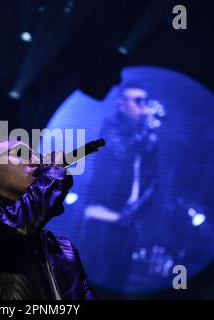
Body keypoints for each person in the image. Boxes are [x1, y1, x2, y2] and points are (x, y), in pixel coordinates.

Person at [0, 139, 97, 300]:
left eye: (39, 157)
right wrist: (53, 172)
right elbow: (14, 228)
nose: (37, 163)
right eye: (21, 153)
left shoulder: (64, 250)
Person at [82, 84, 161, 292]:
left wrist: (137, 211)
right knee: (90, 280)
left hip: (127, 221)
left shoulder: (147, 138)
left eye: (145, 101)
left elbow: (152, 179)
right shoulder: (109, 128)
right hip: (102, 216)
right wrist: (145, 130)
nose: (143, 107)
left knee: (115, 282)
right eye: (137, 101)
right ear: (122, 105)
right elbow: (122, 154)